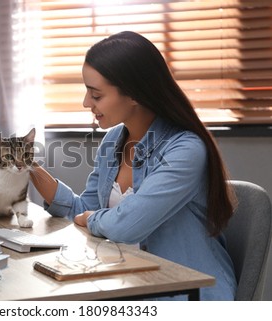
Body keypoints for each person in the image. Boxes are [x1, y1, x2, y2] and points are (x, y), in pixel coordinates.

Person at [30, 31, 237, 300]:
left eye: (96, 95)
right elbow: (85, 211)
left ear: (134, 94)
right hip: (131, 283)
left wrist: (92, 218)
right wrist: (29, 169)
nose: (85, 103)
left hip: (184, 293)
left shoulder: (185, 150)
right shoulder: (113, 140)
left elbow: (125, 225)